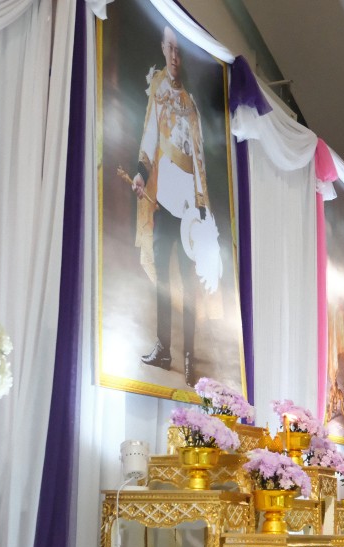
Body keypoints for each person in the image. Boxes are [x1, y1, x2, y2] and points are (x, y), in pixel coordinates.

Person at [132, 25, 210, 386]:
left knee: (189, 286)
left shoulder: (191, 102)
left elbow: (199, 156)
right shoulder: (159, 91)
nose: (175, 57)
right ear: (163, 49)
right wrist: (140, 173)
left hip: (190, 209)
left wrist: (202, 204)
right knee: (163, 280)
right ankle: (163, 349)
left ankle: (189, 356)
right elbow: (150, 133)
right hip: (163, 201)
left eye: (180, 51)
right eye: (171, 49)